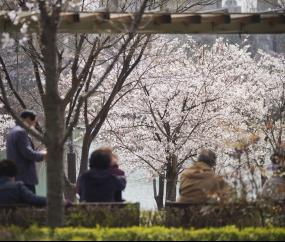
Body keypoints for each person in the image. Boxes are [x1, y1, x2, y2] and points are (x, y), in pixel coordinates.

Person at [6, 110, 47, 194]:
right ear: (28, 119)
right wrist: (44, 154)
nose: (34, 125)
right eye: (34, 122)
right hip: (24, 178)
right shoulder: (21, 132)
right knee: (28, 204)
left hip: (15, 176)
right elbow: (28, 154)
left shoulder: (12, 132)